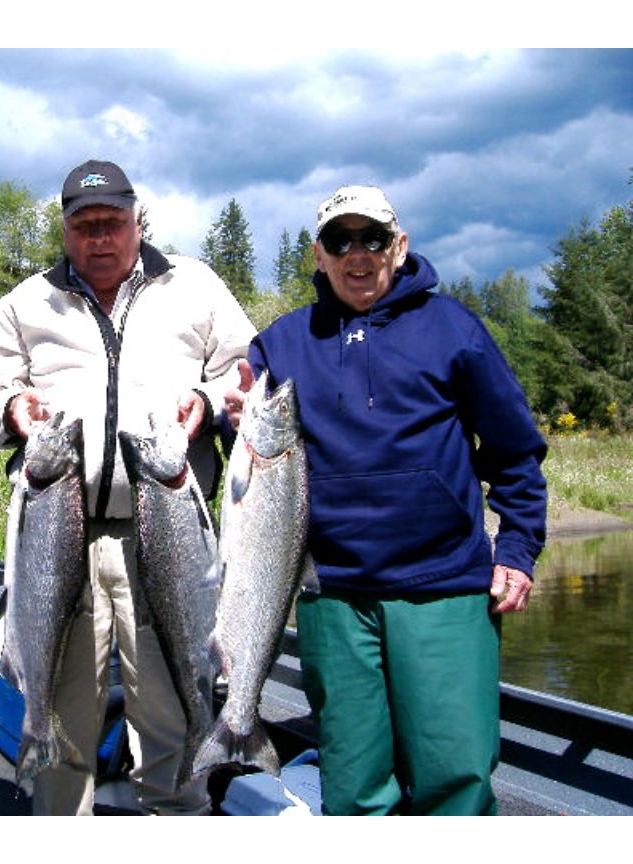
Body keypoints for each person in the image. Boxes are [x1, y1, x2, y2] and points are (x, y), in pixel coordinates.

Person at [224, 185, 547, 815]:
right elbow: (248, 455)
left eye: (372, 238)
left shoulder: (454, 329)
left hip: (447, 588)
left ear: (398, 247)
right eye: (339, 241)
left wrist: (518, 546)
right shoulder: (283, 343)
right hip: (333, 595)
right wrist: (228, 417)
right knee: (353, 781)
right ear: (319, 255)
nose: (357, 254)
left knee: (454, 777)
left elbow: (514, 451)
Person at [0, 159, 256, 815]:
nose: (99, 237)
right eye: (84, 224)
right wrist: (14, 411)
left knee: (169, 712)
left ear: (137, 221)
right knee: (63, 714)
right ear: (66, 228)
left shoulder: (196, 286)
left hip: (169, 537)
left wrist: (208, 401)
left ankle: (176, 816)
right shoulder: (24, 303)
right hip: (56, 535)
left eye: (113, 222)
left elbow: (247, 376)